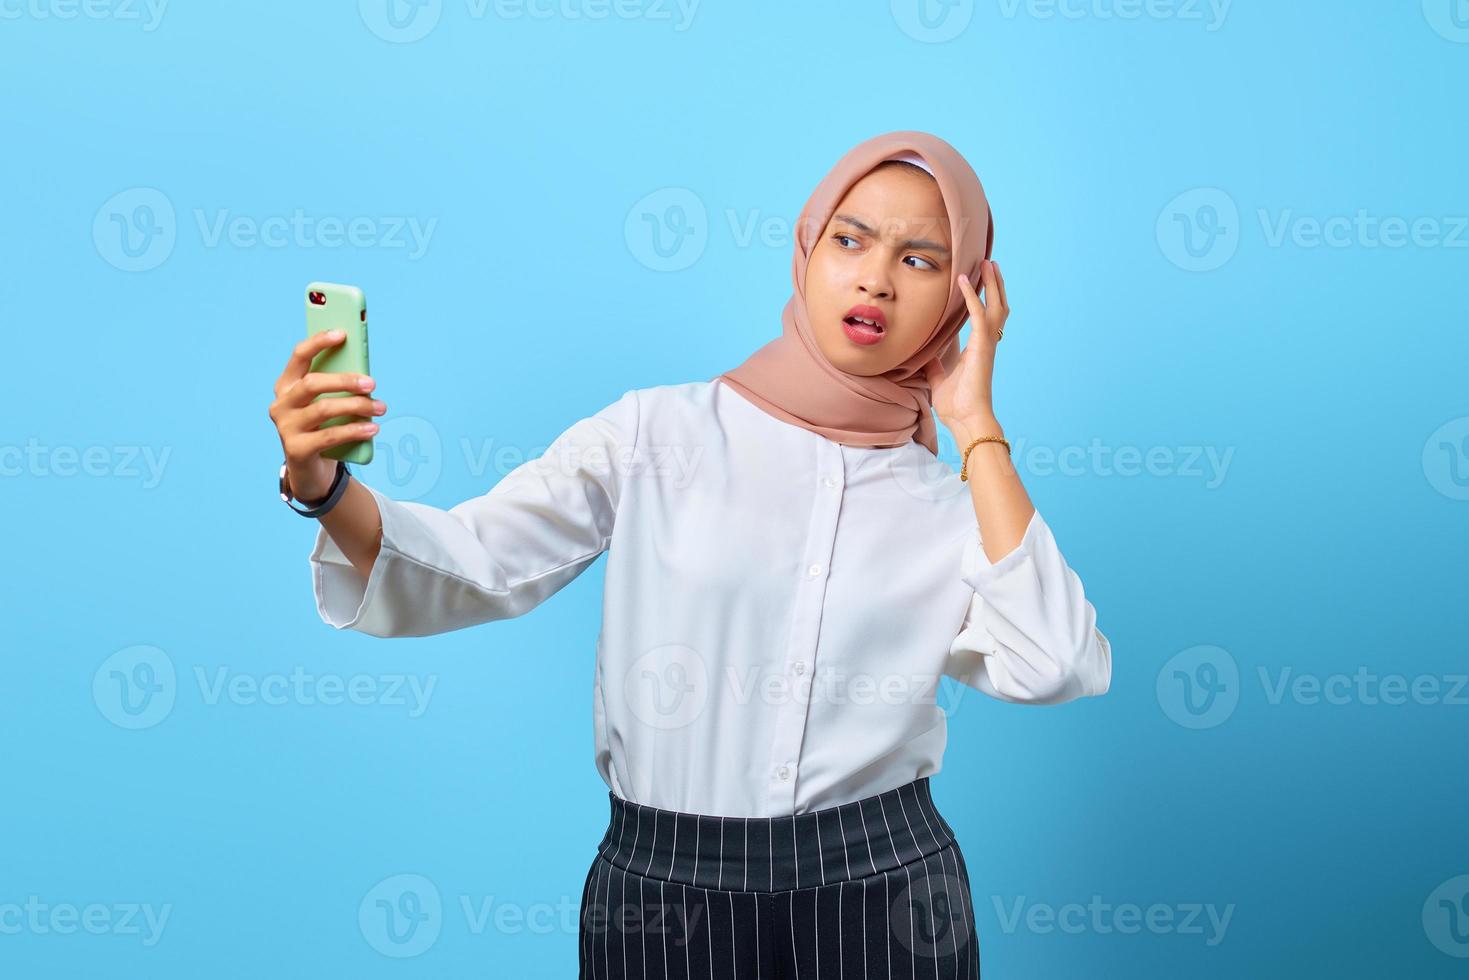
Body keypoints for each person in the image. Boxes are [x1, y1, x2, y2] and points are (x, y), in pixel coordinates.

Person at [269, 129, 1112, 978]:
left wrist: (975, 427)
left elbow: (1056, 663)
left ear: (963, 302)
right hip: (663, 893)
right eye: (849, 240)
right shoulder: (653, 433)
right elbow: (475, 562)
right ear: (806, 250)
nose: (874, 277)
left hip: (885, 890)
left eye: (920, 260)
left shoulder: (953, 508)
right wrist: (323, 488)